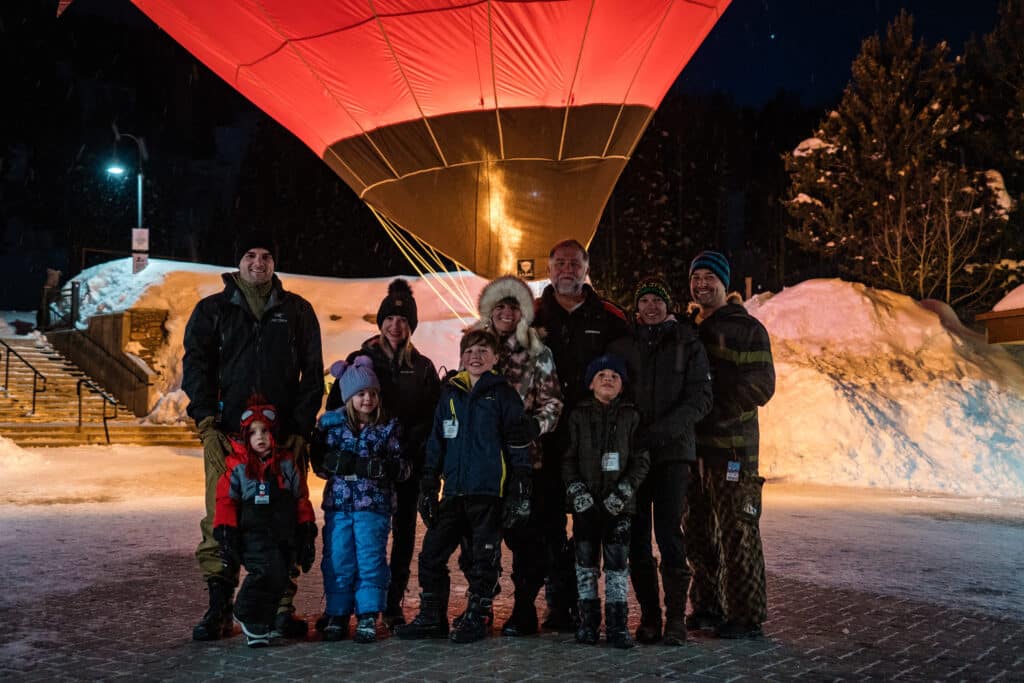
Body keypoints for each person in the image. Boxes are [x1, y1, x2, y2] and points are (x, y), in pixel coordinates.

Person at [183, 229, 324, 641]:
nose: (258, 263)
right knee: (220, 518)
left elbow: (312, 376)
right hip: (228, 437)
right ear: (238, 261)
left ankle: (280, 606)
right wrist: (208, 422)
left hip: (283, 440)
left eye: (265, 255)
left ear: (274, 262)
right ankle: (219, 607)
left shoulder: (298, 311)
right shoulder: (212, 311)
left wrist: (300, 428)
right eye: (250, 255)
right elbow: (197, 369)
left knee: (282, 520)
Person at [396, 328, 532, 644]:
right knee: (431, 554)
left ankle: (478, 613)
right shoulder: (451, 394)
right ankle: (432, 615)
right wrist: (428, 484)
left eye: (483, 350)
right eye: (470, 350)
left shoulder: (503, 395)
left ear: (496, 358)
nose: (475, 356)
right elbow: (437, 442)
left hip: (487, 493)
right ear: (461, 356)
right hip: (454, 492)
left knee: (483, 558)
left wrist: (519, 488)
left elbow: (517, 444)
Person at [323, 278, 440, 628]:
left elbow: (432, 415)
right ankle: (350, 604)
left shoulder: (422, 367)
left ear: (411, 326)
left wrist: (411, 446)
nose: (396, 325)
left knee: (403, 532)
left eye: (403, 320)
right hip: (361, 471)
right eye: (390, 318)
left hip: (404, 463)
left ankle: (391, 601)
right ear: (381, 321)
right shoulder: (361, 361)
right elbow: (335, 410)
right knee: (358, 535)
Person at [608, 276, 712, 645]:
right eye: (645, 300)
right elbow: (610, 391)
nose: (651, 307)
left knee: (669, 534)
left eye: (658, 300)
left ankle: (676, 620)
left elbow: (700, 398)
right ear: (636, 308)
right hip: (634, 455)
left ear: (668, 306)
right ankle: (650, 616)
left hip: (672, 454)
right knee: (637, 538)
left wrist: (661, 432)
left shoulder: (687, 343)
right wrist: (629, 432)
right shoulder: (622, 345)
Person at [532, 238, 630, 630]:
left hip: (595, 439)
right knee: (549, 521)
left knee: (591, 520)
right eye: (560, 263)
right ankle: (559, 603)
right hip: (549, 437)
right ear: (550, 268)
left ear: (586, 268)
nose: (567, 269)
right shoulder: (534, 314)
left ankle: (593, 602)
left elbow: (628, 372)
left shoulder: (608, 316)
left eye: (575, 263)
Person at [460, 276, 564, 636]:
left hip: (523, 463)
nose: (506, 312)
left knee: (527, 541)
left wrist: (535, 426)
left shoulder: (538, 352)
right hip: (481, 464)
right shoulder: (473, 346)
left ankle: (523, 609)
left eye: (513, 306)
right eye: (499, 305)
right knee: (476, 540)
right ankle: (481, 605)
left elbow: (553, 401)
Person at [684, 250, 775, 639]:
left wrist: (713, 409)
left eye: (710, 277)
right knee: (699, 529)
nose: (702, 284)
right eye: (696, 277)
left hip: (733, 449)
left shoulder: (746, 329)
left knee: (737, 529)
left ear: (725, 283)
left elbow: (761, 385)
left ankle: (746, 615)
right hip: (694, 449)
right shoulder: (690, 328)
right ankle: (708, 605)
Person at [312, 357, 411, 643]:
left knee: (370, 558)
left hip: (373, 506)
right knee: (338, 558)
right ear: (348, 397)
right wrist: (333, 462)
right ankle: (338, 613)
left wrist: (384, 468)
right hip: (340, 505)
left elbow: (403, 467)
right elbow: (319, 465)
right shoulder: (332, 428)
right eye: (360, 394)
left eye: (372, 393)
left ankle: (368, 613)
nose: (367, 399)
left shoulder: (387, 428)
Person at [212, 396, 317, 647]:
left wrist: (306, 529)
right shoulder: (237, 467)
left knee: (280, 575)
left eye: (266, 432)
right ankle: (246, 611)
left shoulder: (286, 464)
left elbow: (300, 497)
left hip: (282, 532)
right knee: (264, 571)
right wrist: (226, 532)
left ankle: (263, 620)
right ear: (245, 438)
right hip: (254, 533)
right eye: (254, 433)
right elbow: (226, 501)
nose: (260, 437)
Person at [561, 354, 649, 649]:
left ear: (622, 385)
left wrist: (624, 492)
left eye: (614, 375)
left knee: (616, 565)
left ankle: (617, 623)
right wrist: (576, 491)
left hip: (619, 507)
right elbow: (568, 459)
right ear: (590, 384)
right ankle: (587, 621)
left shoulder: (631, 417)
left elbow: (640, 461)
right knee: (585, 563)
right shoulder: (578, 416)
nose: (608, 379)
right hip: (585, 505)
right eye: (601, 375)